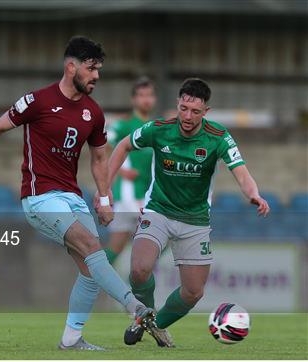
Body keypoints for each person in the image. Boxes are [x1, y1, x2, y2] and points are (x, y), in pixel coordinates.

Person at [0, 36, 155, 351]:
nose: (97, 76)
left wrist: (105, 197)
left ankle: (71, 339)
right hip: (40, 197)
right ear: (71, 67)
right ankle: (134, 306)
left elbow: (99, 158)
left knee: (90, 270)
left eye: (99, 69)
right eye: (92, 68)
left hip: (72, 196)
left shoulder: (93, 112)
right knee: (93, 246)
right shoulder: (37, 101)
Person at [106, 78, 270, 347]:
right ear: (178, 105)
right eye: (184, 108)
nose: (188, 116)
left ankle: (154, 325)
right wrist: (105, 188)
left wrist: (253, 194)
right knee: (139, 270)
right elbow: (122, 146)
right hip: (158, 210)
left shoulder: (218, 137)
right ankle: (143, 316)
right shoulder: (159, 129)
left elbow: (241, 171)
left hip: (195, 220)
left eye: (195, 111)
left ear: (206, 112)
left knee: (193, 292)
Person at [104, 77, 155, 266]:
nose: (146, 99)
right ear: (134, 100)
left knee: (116, 247)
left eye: (149, 95)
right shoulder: (124, 124)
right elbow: (103, 145)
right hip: (129, 194)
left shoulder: (155, 127)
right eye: (141, 95)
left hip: (144, 193)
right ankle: (135, 277)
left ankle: (92, 275)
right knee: (159, 238)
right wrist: (119, 171)